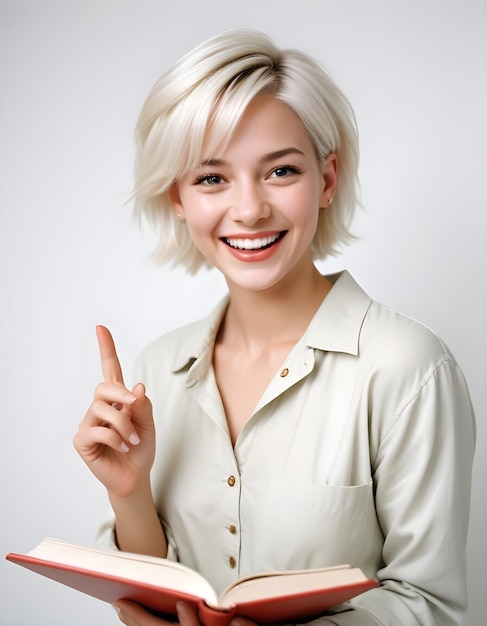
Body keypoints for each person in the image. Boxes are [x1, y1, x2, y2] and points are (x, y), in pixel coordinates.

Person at [73, 29, 476, 626]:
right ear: (178, 198)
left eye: (281, 170)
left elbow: (433, 606)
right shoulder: (157, 370)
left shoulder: (409, 368)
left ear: (327, 178)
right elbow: (159, 592)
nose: (250, 208)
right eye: (212, 178)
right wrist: (129, 495)